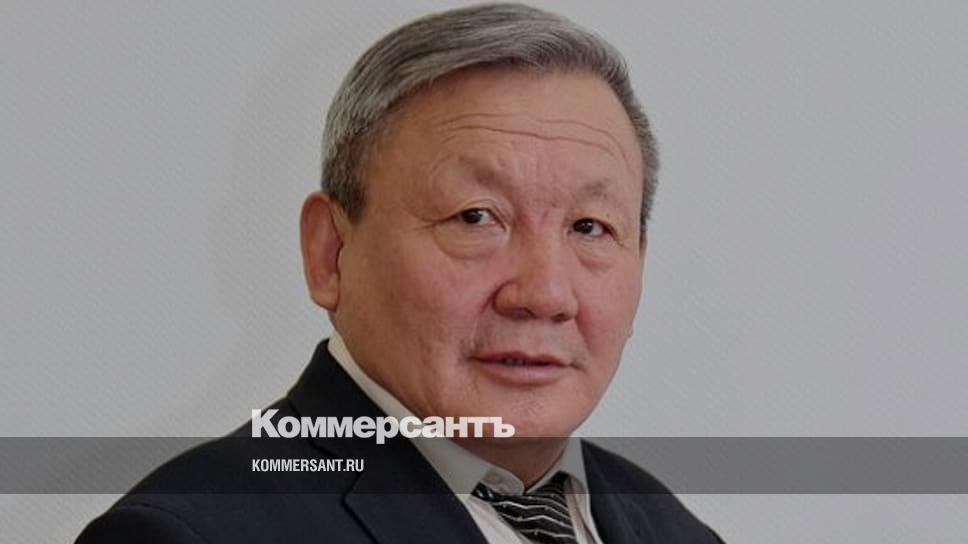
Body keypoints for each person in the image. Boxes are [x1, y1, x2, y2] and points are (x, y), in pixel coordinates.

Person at [77, 3, 723, 543]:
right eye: (476, 217)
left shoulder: (671, 528)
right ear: (330, 253)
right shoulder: (192, 532)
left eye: (590, 227)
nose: (545, 293)